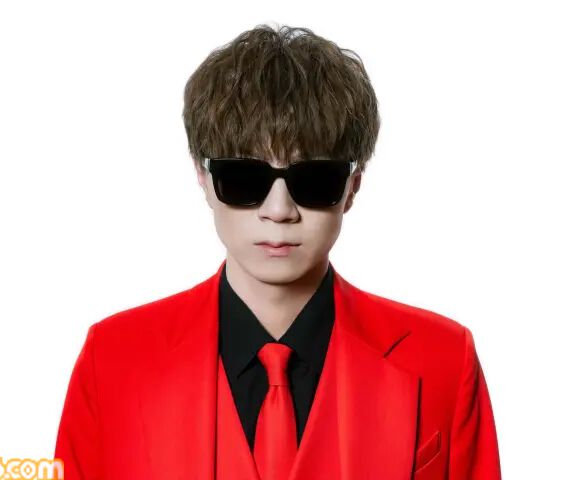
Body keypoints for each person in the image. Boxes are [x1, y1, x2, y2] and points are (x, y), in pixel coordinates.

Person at [54, 23, 501, 479]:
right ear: (204, 179)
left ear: (352, 186)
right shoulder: (113, 358)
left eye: (315, 181)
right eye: (243, 179)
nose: (279, 210)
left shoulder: (443, 357)